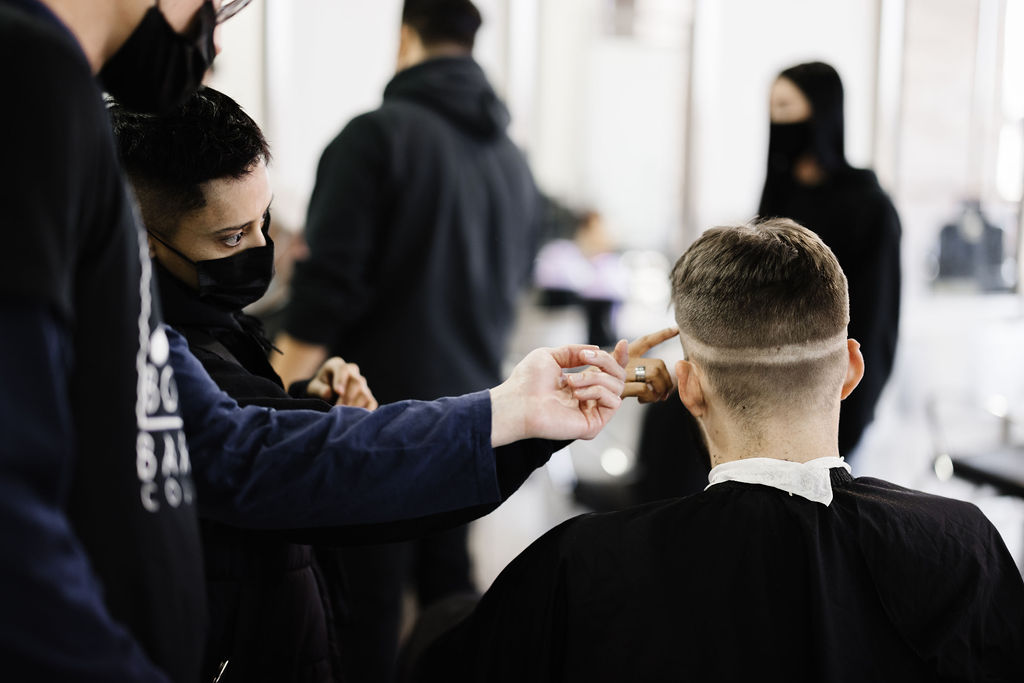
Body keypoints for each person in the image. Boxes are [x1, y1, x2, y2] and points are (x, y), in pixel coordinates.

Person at [0, 2, 629, 681]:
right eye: (232, 236)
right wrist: (497, 414)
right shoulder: (505, 160)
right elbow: (241, 448)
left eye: (265, 224)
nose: (215, 29)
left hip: (404, 439)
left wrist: (312, 403)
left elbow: (234, 434)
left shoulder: (376, 147)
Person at [406, 219, 1024, 682]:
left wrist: (533, 425)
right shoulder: (962, 549)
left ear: (689, 389)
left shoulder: (585, 565)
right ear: (850, 371)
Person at [270, 1, 544, 677]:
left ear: (405, 38)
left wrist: (271, 393)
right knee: (451, 599)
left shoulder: (374, 137)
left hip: (378, 425)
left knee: (362, 610)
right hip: (475, 415)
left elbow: (327, 287)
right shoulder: (513, 162)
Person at [758, 61, 901, 458]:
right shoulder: (779, 196)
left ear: (820, 113)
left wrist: (851, 414)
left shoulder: (869, 207)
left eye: (786, 107)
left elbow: (877, 321)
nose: (776, 120)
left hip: (835, 404)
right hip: (769, 400)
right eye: (772, 108)